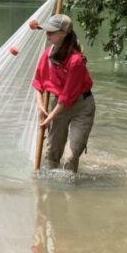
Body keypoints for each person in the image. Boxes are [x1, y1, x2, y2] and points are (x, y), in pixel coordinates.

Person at [32, 13, 95, 172]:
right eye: (46, 31)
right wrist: (40, 106)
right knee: (52, 154)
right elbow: (38, 83)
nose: (47, 35)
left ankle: (70, 188)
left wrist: (50, 118)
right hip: (58, 105)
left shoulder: (76, 60)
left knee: (71, 156)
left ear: (64, 33)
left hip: (81, 106)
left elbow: (67, 96)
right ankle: (48, 189)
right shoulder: (47, 54)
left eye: (52, 32)